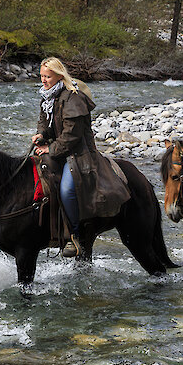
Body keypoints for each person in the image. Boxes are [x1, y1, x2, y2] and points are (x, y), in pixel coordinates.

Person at [32, 57, 130, 257]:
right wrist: (41, 135)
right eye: (41, 76)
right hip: (58, 148)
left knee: (67, 190)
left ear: (59, 76)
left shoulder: (72, 98)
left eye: (47, 76)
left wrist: (50, 150)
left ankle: (74, 235)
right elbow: (43, 121)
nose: (43, 80)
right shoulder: (47, 96)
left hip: (78, 154)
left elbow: (72, 136)